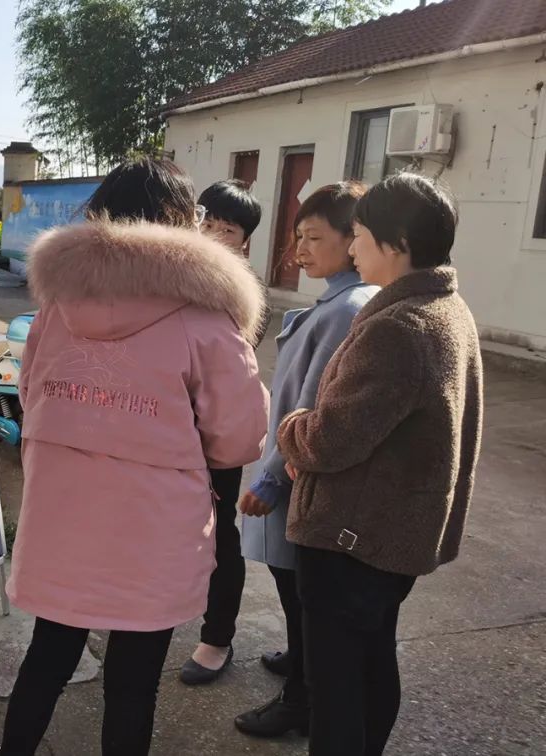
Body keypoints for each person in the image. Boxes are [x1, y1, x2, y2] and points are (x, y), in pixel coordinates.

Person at [0, 157, 269, 756]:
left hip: (60, 514)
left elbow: (30, 395)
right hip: (152, 528)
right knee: (133, 683)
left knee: (47, 657)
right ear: (181, 222)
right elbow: (239, 435)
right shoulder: (206, 318)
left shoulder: (55, 307)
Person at [279, 173, 482, 755]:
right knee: (371, 664)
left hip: (353, 539)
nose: (353, 248)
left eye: (360, 235)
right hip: (393, 534)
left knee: (339, 686)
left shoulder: (399, 326)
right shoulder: (446, 306)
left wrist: (294, 428)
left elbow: (330, 440)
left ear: (395, 244)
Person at [230, 182, 377, 737]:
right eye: (297, 238)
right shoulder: (336, 299)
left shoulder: (349, 307)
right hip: (292, 467)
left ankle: (301, 701)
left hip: (297, 475)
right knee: (297, 593)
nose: (300, 251)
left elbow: (313, 403)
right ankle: (300, 661)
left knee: (305, 596)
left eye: (315, 238)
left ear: (355, 239)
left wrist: (268, 481)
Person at [178, 178, 266, 685]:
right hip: (166, 427)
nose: (212, 235)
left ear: (244, 240)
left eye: (226, 229)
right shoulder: (173, 273)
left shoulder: (246, 294)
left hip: (216, 437)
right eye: (205, 223)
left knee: (218, 537)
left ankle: (217, 638)